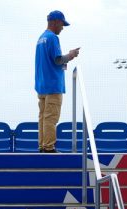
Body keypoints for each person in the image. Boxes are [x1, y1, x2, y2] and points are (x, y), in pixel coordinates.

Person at [35, 10, 80, 153]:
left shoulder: (41, 38)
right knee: (51, 118)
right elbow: (58, 59)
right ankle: (48, 148)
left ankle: (43, 146)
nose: (62, 28)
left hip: (42, 85)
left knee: (43, 117)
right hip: (53, 85)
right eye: (61, 24)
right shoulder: (52, 38)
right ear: (55, 22)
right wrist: (71, 55)